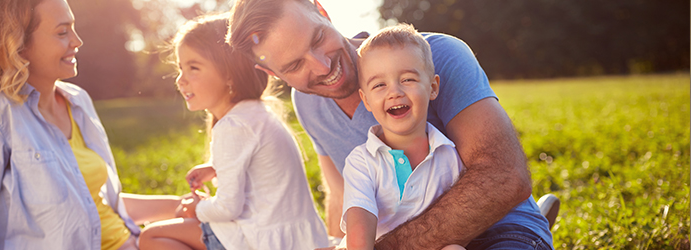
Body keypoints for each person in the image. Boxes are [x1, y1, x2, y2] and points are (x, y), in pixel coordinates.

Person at [227, 0, 554, 249]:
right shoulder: (307, 103)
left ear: (321, 11)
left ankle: (539, 216)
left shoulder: (436, 54)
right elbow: (341, 196)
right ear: (274, 75)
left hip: (498, 231)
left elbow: (503, 178)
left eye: (317, 39)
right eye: (296, 64)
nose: (324, 66)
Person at [0, 0, 182, 249]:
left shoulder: (77, 101)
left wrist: (181, 205)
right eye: (62, 32)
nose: (77, 41)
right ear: (17, 44)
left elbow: (95, 203)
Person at [136, 14, 328, 250]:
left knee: (151, 237)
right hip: (298, 238)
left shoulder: (233, 126)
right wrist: (215, 168)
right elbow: (259, 171)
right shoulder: (256, 114)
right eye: (180, 68)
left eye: (193, 68)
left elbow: (228, 208)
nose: (180, 80)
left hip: (261, 240)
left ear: (229, 74)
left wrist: (196, 208)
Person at [339, 23, 465, 250]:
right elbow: (360, 224)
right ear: (366, 100)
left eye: (407, 79)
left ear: (432, 87)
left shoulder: (449, 154)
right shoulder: (362, 162)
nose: (394, 92)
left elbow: (458, 219)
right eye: (379, 85)